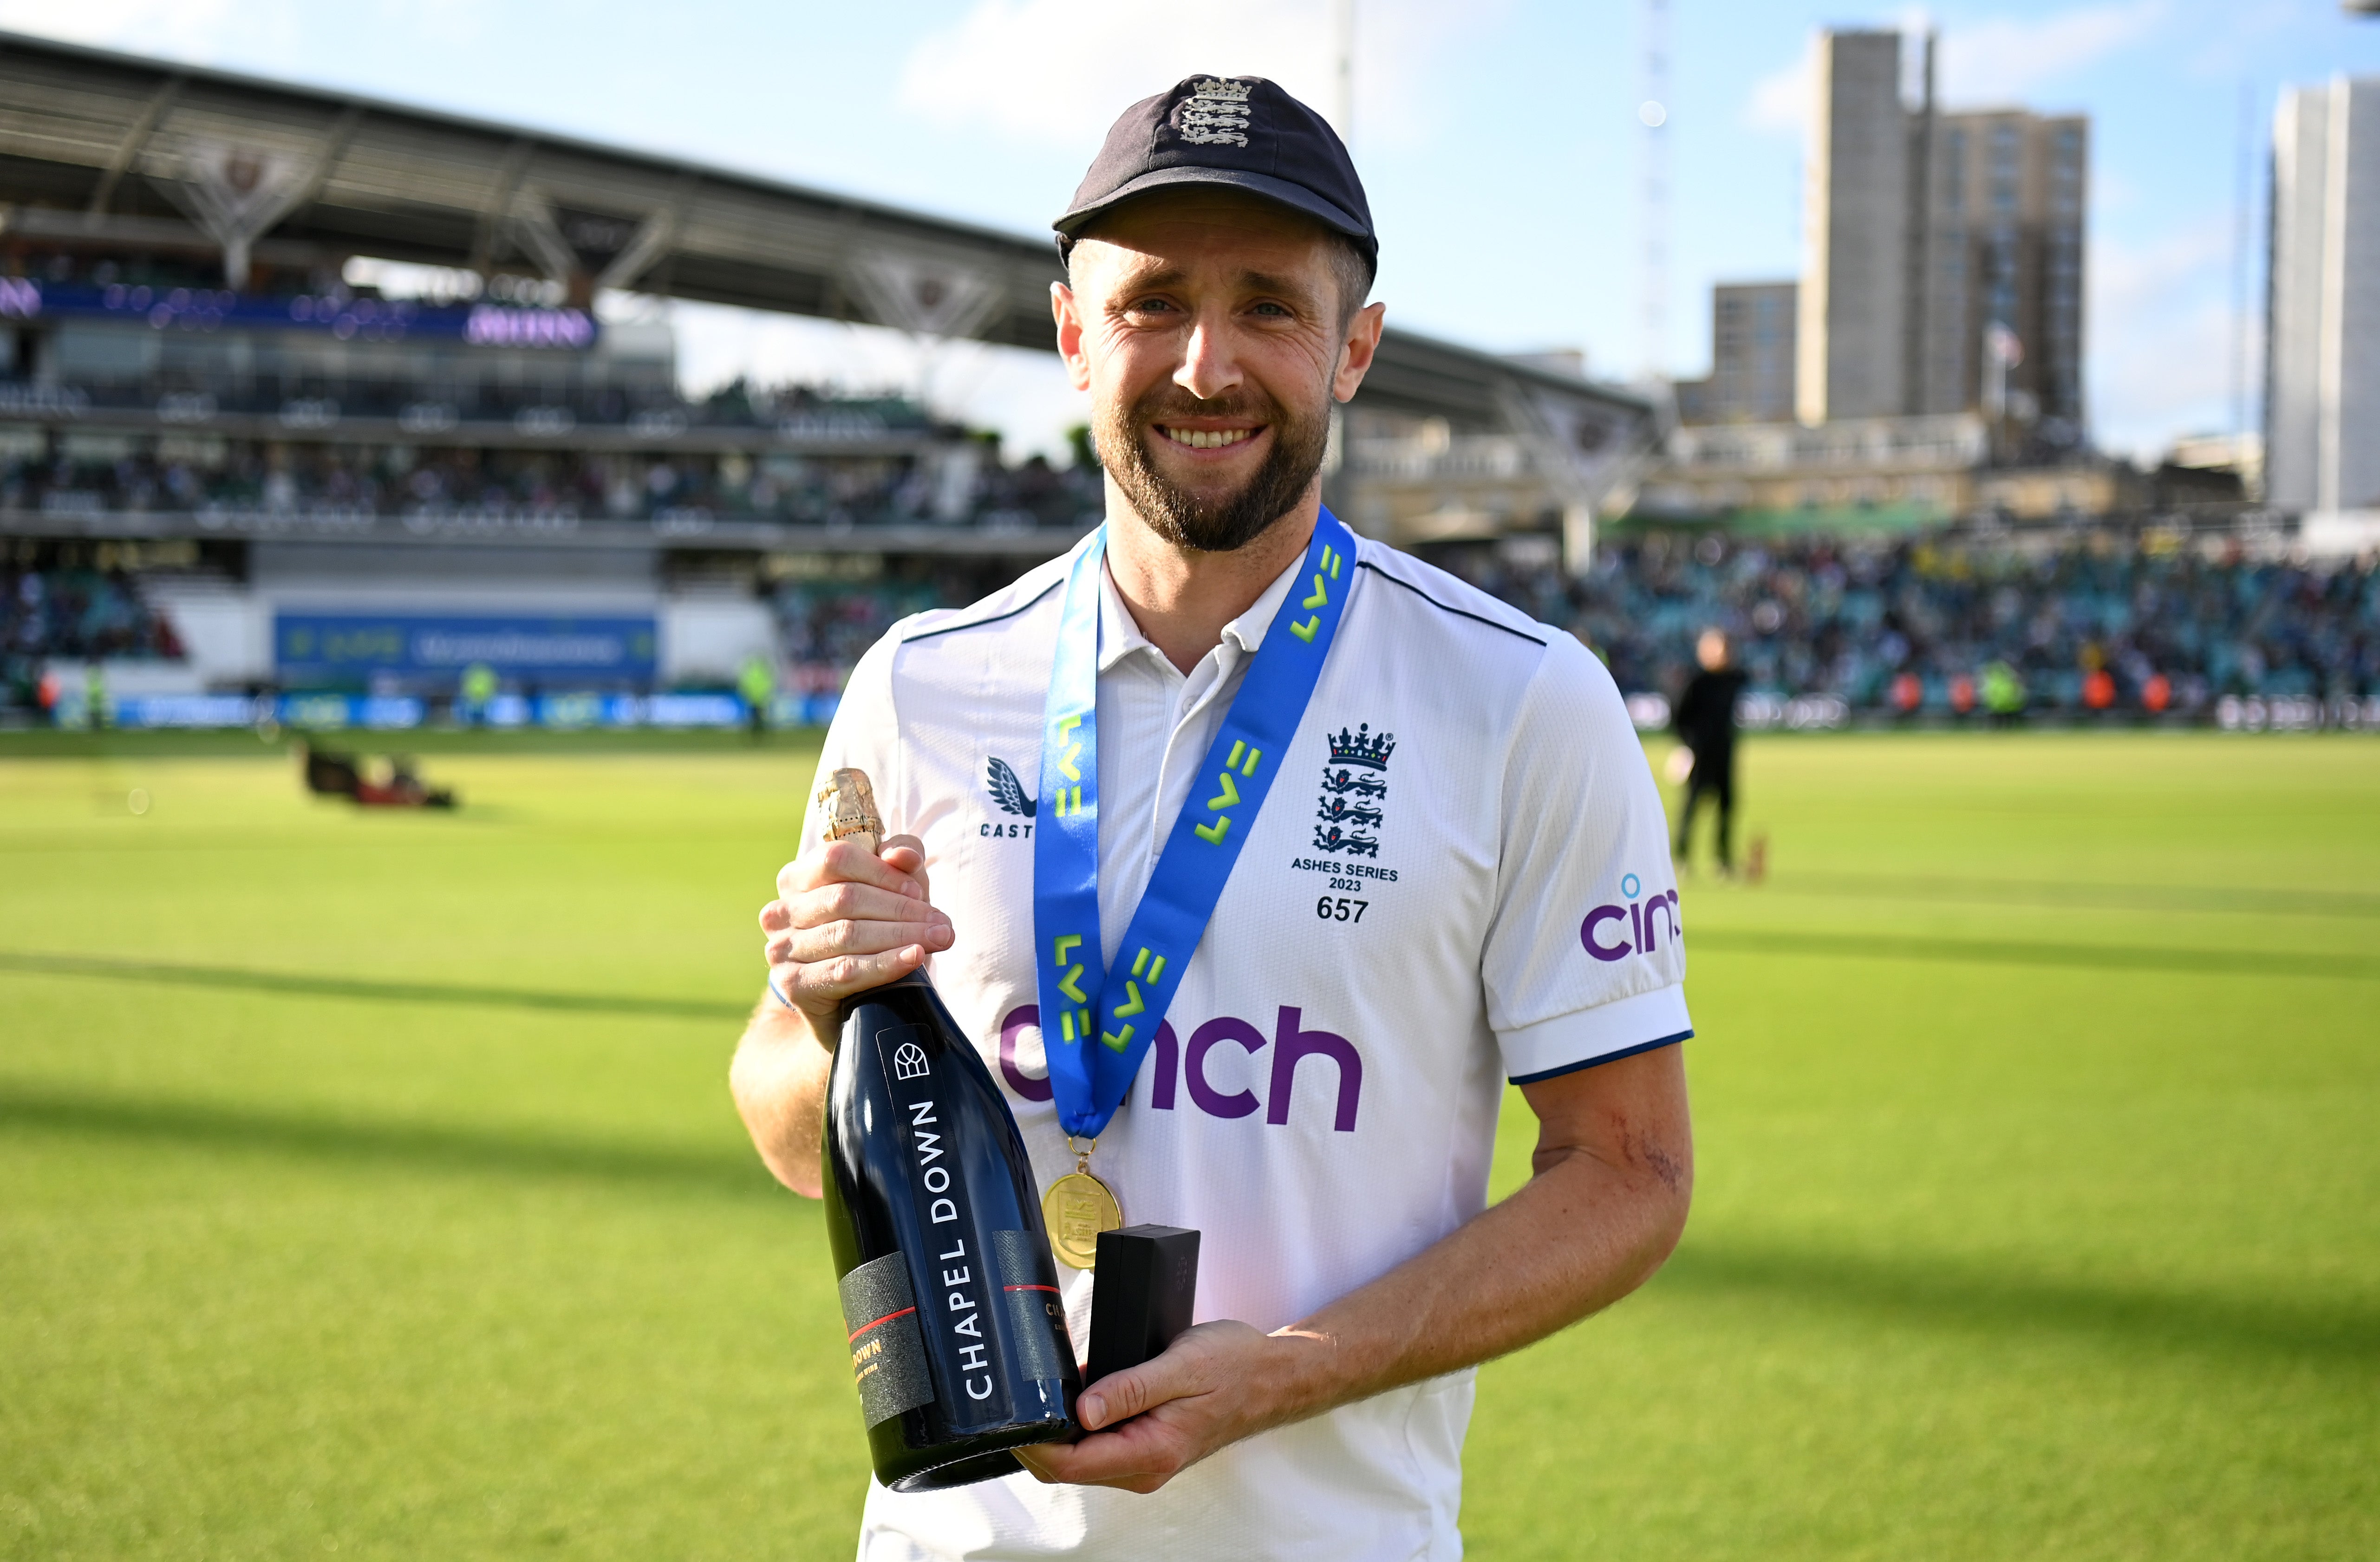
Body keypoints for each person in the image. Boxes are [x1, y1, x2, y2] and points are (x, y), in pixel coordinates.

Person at [731, 76, 1692, 1562]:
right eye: (1150, 304)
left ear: (1353, 348)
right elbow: (801, 1131)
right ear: (1068, 335)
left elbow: (1627, 1169)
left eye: (1268, 307)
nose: (1203, 362)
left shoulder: (1521, 700)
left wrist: (1293, 1366)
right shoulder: (920, 685)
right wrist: (813, 1009)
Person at [1671, 628, 1747, 875]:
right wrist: (1690, 744)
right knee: (1692, 806)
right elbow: (1678, 718)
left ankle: (1723, 859)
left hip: (1724, 752)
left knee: (1727, 806)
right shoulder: (1697, 683)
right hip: (1701, 754)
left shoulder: (1733, 680)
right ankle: (1682, 857)